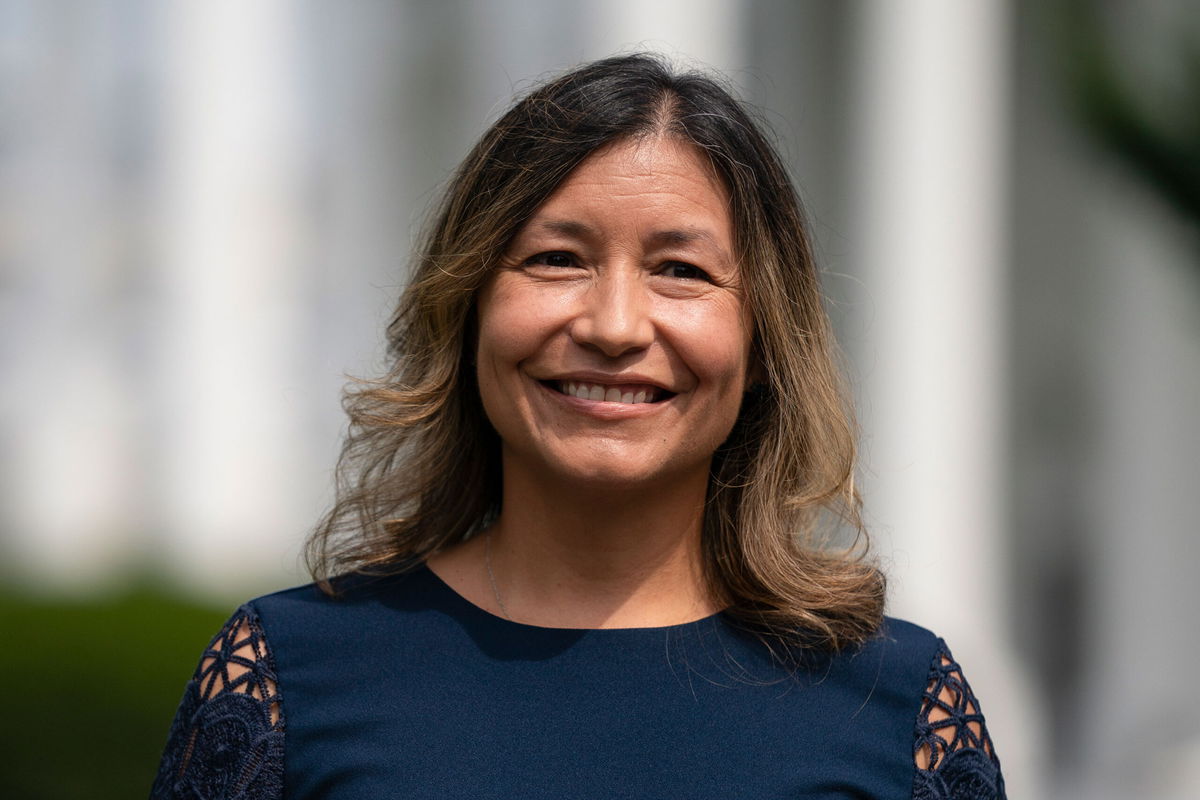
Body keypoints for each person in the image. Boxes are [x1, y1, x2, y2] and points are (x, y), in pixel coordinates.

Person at [150, 54, 1005, 800]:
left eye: (681, 270)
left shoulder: (898, 706)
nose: (615, 325)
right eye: (557, 258)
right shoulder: (283, 678)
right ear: (470, 305)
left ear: (762, 340)